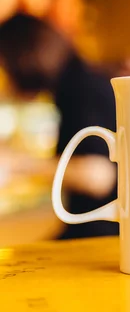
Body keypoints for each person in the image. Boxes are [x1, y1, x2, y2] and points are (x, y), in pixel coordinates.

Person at [0, 13, 118, 239]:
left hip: (100, 234)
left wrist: (15, 163)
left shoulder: (80, 90)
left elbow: (98, 175)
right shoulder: (80, 82)